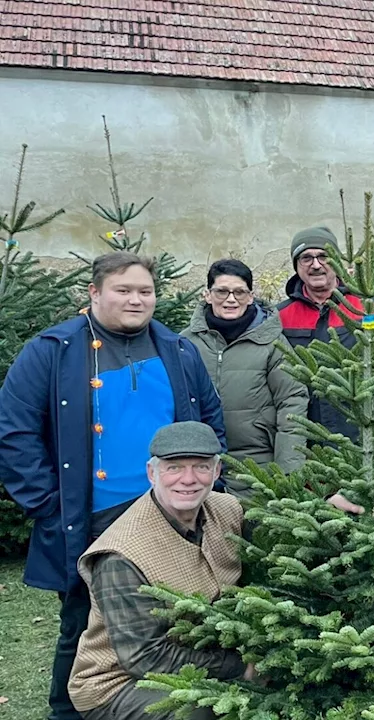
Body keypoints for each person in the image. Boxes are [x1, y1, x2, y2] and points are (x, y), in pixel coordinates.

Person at [0, 251, 225, 720]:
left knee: (172, 621)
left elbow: (210, 423)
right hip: (90, 519)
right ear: (94, 292)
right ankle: (68, 710)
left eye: (145, 291)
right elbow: (15, 430)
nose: (136, 300)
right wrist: (47, 505)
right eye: (123, 290)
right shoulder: (53, 350)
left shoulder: (178, 350)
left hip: (169, 513)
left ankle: (157, 698)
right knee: (81, 625)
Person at [68, 422, 248, 720]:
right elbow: (144, 657)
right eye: (174, 468)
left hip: (197, 655)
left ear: (217, 472)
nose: (188, 479)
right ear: (152, 473)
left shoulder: (227, 508)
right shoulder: (121, 555)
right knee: (199, 712)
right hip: (119, 681)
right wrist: (242, 668)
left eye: (201, 467)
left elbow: (277, 522)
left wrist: (325, 507)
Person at [276, 226, 374, 443]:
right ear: (297, 266)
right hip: (306, 436)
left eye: (323, 256)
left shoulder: (368, 307)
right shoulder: (281, 315)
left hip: (360, 433)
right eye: (306, 258)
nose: (316, 265)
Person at [182, 259, 308, 486]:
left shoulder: (271, 343)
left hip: (257, 464)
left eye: (239, 292)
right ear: (207, 295)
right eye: (222, 291)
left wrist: (289, 471)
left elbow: (292, 402)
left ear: (250, 297)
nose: (231, 299)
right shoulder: (186, 343)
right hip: (197, 462)